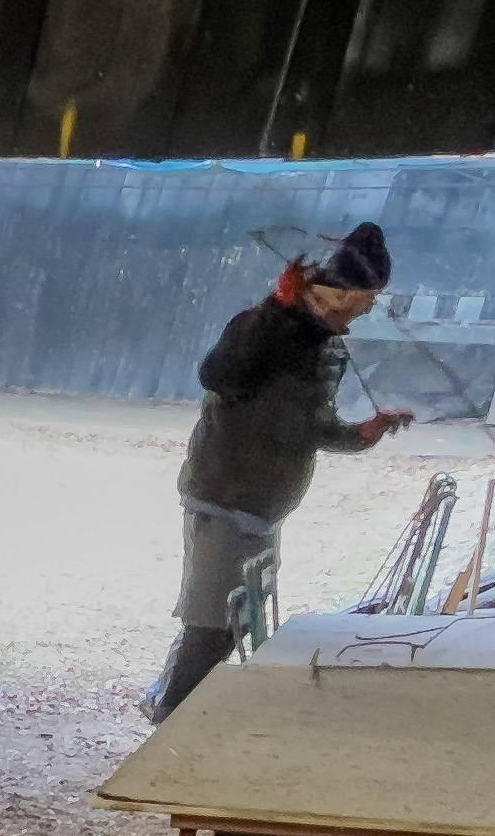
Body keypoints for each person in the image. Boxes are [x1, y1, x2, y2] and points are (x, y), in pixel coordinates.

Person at [150, 219, 416, 721]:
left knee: (239, 618)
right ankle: (171, 721)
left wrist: (362, 434)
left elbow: (313, 424)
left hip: (265, 506)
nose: (360, 315)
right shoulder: (262, 328)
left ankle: (173, 705)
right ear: (334, 293)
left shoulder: (324, 348)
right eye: (360, 302)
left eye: (368, 304)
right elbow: (218, 373)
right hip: (225, 497)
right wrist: (277, 308)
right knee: (212, 623)